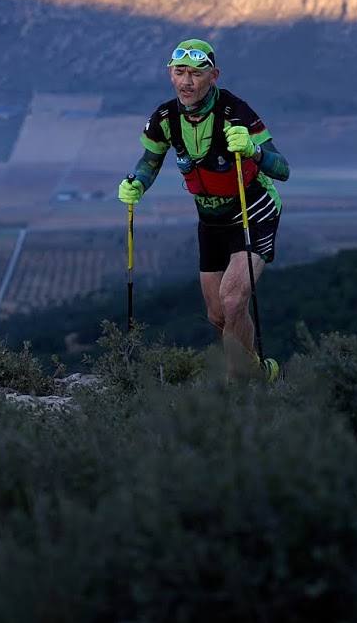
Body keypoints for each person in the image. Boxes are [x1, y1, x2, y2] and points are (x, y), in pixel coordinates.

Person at [117, 39, 290, 382]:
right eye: (179, 72)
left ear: (214, 75)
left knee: (232, 298)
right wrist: (136, 182)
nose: (187, 81)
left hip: (252, 209)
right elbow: (150, 162)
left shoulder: (236, 112)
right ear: (170, 74)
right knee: (219, 316)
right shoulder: (165, 117)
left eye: (196, 73)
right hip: (211, 220)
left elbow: (282, 169)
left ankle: (237, 387)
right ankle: (257, 371)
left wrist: (254, 151)